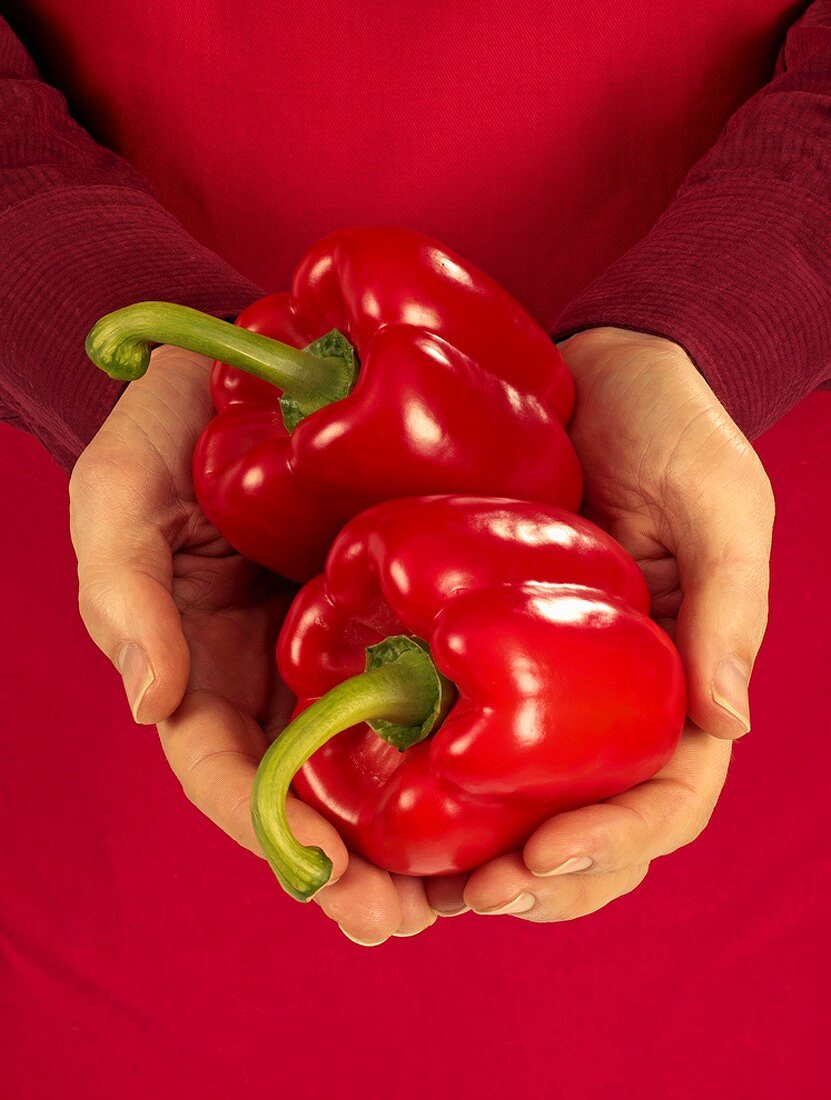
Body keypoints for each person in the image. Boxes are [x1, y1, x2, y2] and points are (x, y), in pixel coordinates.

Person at [0, 2, 827, 950]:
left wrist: (745, 288)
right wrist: (49, 262)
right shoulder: (232, 468)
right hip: (80, 581)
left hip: (770, 486)